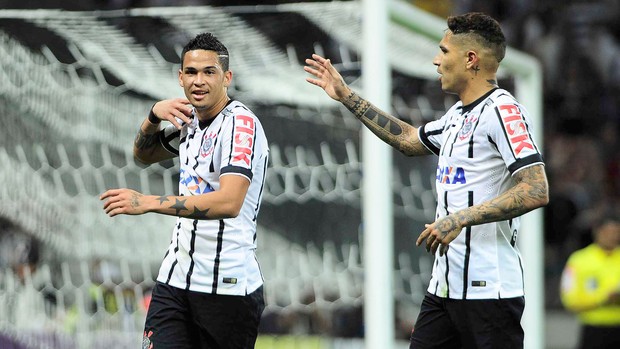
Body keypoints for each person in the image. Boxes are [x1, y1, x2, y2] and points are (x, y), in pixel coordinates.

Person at [304, 12, 549, 349]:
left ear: (471, 59)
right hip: (444, 290)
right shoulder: (456, 117)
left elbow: (535, 189)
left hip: (489, 293)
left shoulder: (504, 112)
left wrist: (460, 218)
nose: (436, 60)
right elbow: (408, 139)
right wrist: (346, 95)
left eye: (444, 52)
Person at [100, 32, 269, 349]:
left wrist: (147, 202)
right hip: (175, 280)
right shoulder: (189, 121)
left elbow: (230, 202)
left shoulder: (240, 124)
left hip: (227, 288)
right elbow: (143, 155)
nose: (199, 81)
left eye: (209, 72)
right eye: (191, 72)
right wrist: (153, 117)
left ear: (227, 77)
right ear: (180, 77)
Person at [560, 213, 620, 349]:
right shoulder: (579, 260)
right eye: (608, 232)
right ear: (597, 231)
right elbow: (570, 300)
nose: (613, 236)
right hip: (594, 330)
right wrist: (602, 299)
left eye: (616, 232)